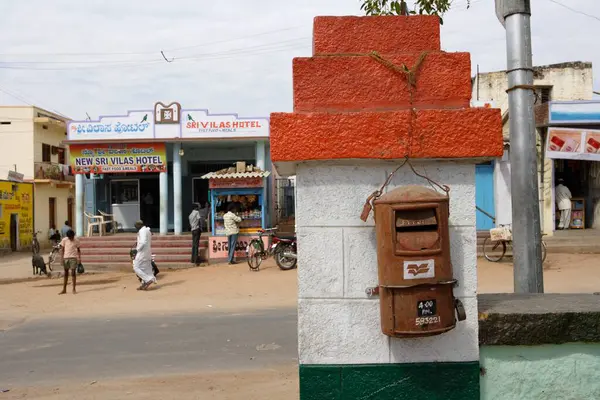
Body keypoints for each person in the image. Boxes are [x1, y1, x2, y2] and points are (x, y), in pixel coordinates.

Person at [133, 220, 156, 290]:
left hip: (142, 252)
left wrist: (136, 250)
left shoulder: (142, 231)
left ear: (139, 225)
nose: (136, 228)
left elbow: (142, 242)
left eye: (136, 226)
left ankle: (148, 279)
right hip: (147, 252)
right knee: (145, 268)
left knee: (136, 267)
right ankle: (144, 283)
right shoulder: (147, 230)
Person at [59, 229, 81, 295]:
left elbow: (79, 250)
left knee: (73, 273)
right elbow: (62, 250)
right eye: (70, 237)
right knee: (66, 273)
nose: (71, 238)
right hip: (66, 258)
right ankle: (64, 289)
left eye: (72, 237)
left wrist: (79, 258)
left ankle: (74, 289)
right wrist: (61, 258)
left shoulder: (76, 240)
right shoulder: (64, 240)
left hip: (73, 258)